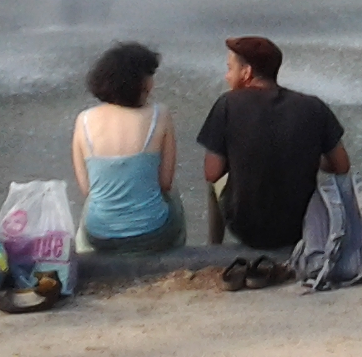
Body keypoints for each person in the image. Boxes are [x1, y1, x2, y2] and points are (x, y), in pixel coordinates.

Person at [197, 35, 347, 249]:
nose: (226, 76)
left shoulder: (227, 105)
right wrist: (310, 154)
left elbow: (212, 172)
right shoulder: (313, 106)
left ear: (246, 72)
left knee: (215, 185)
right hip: (301, 225)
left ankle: (214, 249)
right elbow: (342, 166)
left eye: (230, 69)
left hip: (247, 228)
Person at [72, 42, 185, 253]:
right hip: (153, 234)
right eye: (150, 75)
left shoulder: (84, 120)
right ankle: (176, 253)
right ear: (139, 82)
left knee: (95, 199)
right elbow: (165, 183)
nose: (153, 82)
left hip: (99, 236)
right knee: (174, 195)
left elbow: (87, 188)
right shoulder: (160, 115)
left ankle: (85, 253)